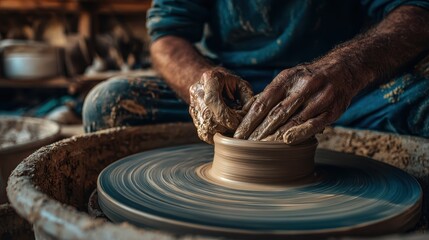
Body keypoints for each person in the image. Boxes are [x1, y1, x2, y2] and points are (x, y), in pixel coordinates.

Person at [83, 0, 429, 145]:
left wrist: (346, 68)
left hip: (344, 93)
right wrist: (200, 82)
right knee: (109, 105)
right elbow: (167, 36)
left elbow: (415, 13)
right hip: (237, 99)